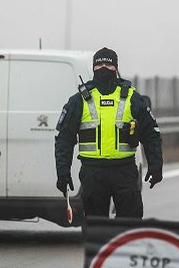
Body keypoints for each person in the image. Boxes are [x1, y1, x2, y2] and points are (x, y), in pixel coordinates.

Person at [54, 47, 163, 219]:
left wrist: (156, 165)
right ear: (93, 68)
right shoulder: (79, 100)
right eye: (100, 64)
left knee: (129, 227)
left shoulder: (132, 98)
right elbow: (64, 139)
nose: (104, 67)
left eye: (108, 64)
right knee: (96, 228)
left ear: (116, 68)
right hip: (93, 173)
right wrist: (63, 173)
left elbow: (151, 133)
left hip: (125, 172)